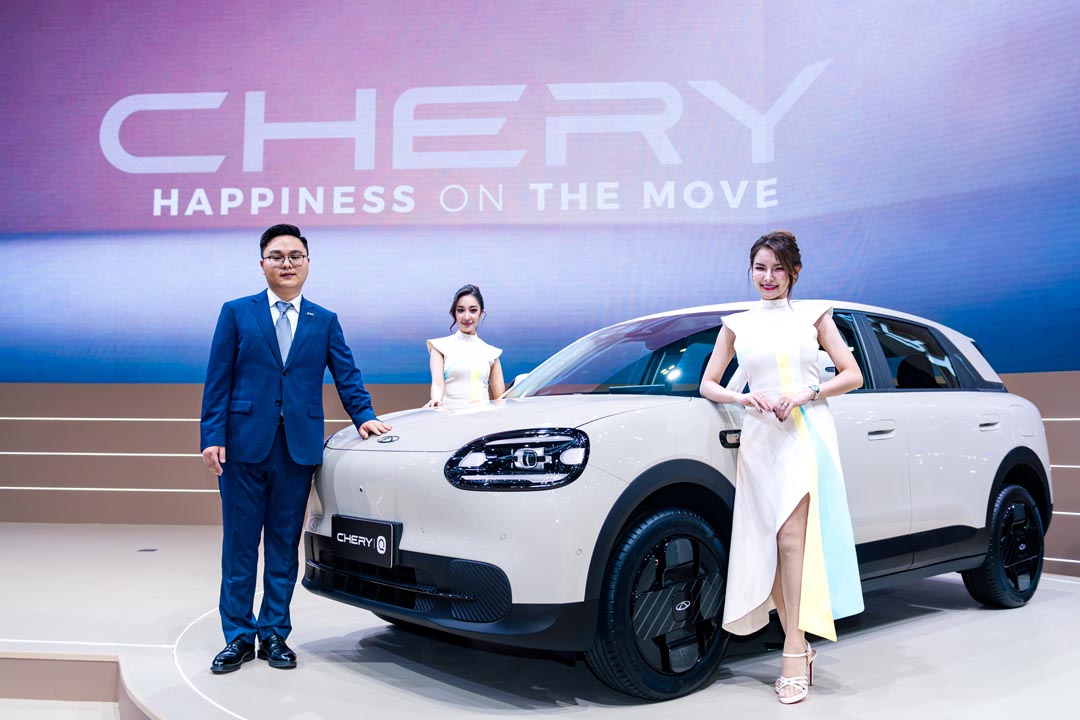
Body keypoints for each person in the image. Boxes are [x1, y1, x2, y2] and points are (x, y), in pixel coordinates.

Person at [200, 223, 391, 674]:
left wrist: (364, 415)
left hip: (297, 450)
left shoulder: (324, 320)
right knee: (240, 546)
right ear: (262, 263)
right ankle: (238, 636)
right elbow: (218, 378)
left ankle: (274, 634)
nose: (286, 263)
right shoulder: (236, 312)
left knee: (284, 547)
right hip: (243, 447)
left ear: (307, 263)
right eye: (277, 256)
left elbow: (347, 374)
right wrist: (212, 436)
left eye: (295, 256)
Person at [700, 230, 864, 704]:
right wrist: (741, 397)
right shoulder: (737, 324)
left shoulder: (815, 316)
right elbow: (709, 384)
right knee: (769, 542)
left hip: (804, 431)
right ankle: (798, 641)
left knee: (793, 540)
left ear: (794, 272)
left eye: (777, 269)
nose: (768, 277)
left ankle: (794, 648)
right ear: (750, 270)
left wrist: (806, 392)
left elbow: (852, 374)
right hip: (759, 437)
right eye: (760, 268)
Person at [423, 284, 505, 408]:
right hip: (450, 417)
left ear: (481, 313)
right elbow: (438, 384)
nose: (467, 317)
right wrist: (435, 400)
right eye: (461, 310)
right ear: (454, 313)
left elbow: (500, 398)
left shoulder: (491, 353)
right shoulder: (440, 347)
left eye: (473, 310)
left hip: (484, 418)